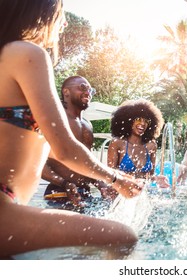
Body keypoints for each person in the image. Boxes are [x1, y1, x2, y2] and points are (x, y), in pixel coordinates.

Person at [0, 0, 144, 259]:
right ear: (39, 12)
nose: (64, 23)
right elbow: (64, 149)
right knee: (123, 237)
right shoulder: (26, 53)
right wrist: (115, 178)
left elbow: (37, 147)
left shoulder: (7, 57)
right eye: (60, 14)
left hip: (10, 205)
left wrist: (100, 180)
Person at [42, 75, 114, 208]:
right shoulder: (54, 119)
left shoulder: (87, 125)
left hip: (84, 193)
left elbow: (85, 163)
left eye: (91, 90)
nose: (88, 92)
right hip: (59, 193)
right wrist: (65, 184)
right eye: (83, 87)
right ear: (66, 92)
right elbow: (37, 162)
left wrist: (100, 184)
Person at [107, 98, 170, 189]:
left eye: (146, 121)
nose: (142, 123)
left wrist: (156, 179)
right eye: (138, 119)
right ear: (128, 120)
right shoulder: (117, 143)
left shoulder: (151, 146)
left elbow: (149, 177)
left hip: (142, 197)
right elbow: (110, 175)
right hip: (121, 194)